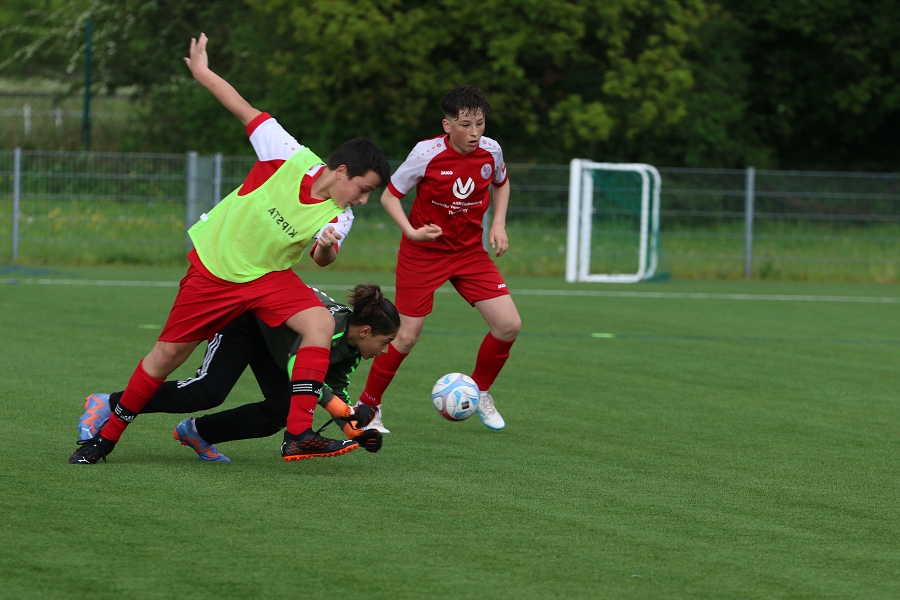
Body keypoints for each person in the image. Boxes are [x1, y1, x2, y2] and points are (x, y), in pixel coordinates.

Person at [69, 33, 391, 464]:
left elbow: (321, 257)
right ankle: (106, 436)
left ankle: (297, 435)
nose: (363, 200)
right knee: (166, 357)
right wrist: (203, 73)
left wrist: (329, 247)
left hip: (265, 279)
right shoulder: (288, 155)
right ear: (341, 171)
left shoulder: (341, 215)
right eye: (364, 189)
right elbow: (244, 108)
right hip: (214, 271)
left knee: (317, 322)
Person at [77, 285, 398, 461]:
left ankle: (198, 433)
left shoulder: (354, 351)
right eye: (385, 343)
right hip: (247, 321)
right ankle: (109, 403)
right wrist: (339, 409)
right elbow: (296, 368)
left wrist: (356, 431)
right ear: (366, 331)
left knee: (280, 411)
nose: (384, 351)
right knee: (207, 390)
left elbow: (335, 388)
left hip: (277, 342)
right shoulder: (333, 329)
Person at [358, 85, 521, 433]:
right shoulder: (425, 153)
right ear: (447, 125)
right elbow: (390, 196)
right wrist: (411, 231)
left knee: (509, 325)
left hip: (469, 253)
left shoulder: (491, 151)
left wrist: (500, 224)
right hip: (423, 253)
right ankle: (368, 407)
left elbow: (502, 183)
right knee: (406, 335)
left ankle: (479, 391)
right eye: (465, 124)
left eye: (480, 123)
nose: (474, 132)